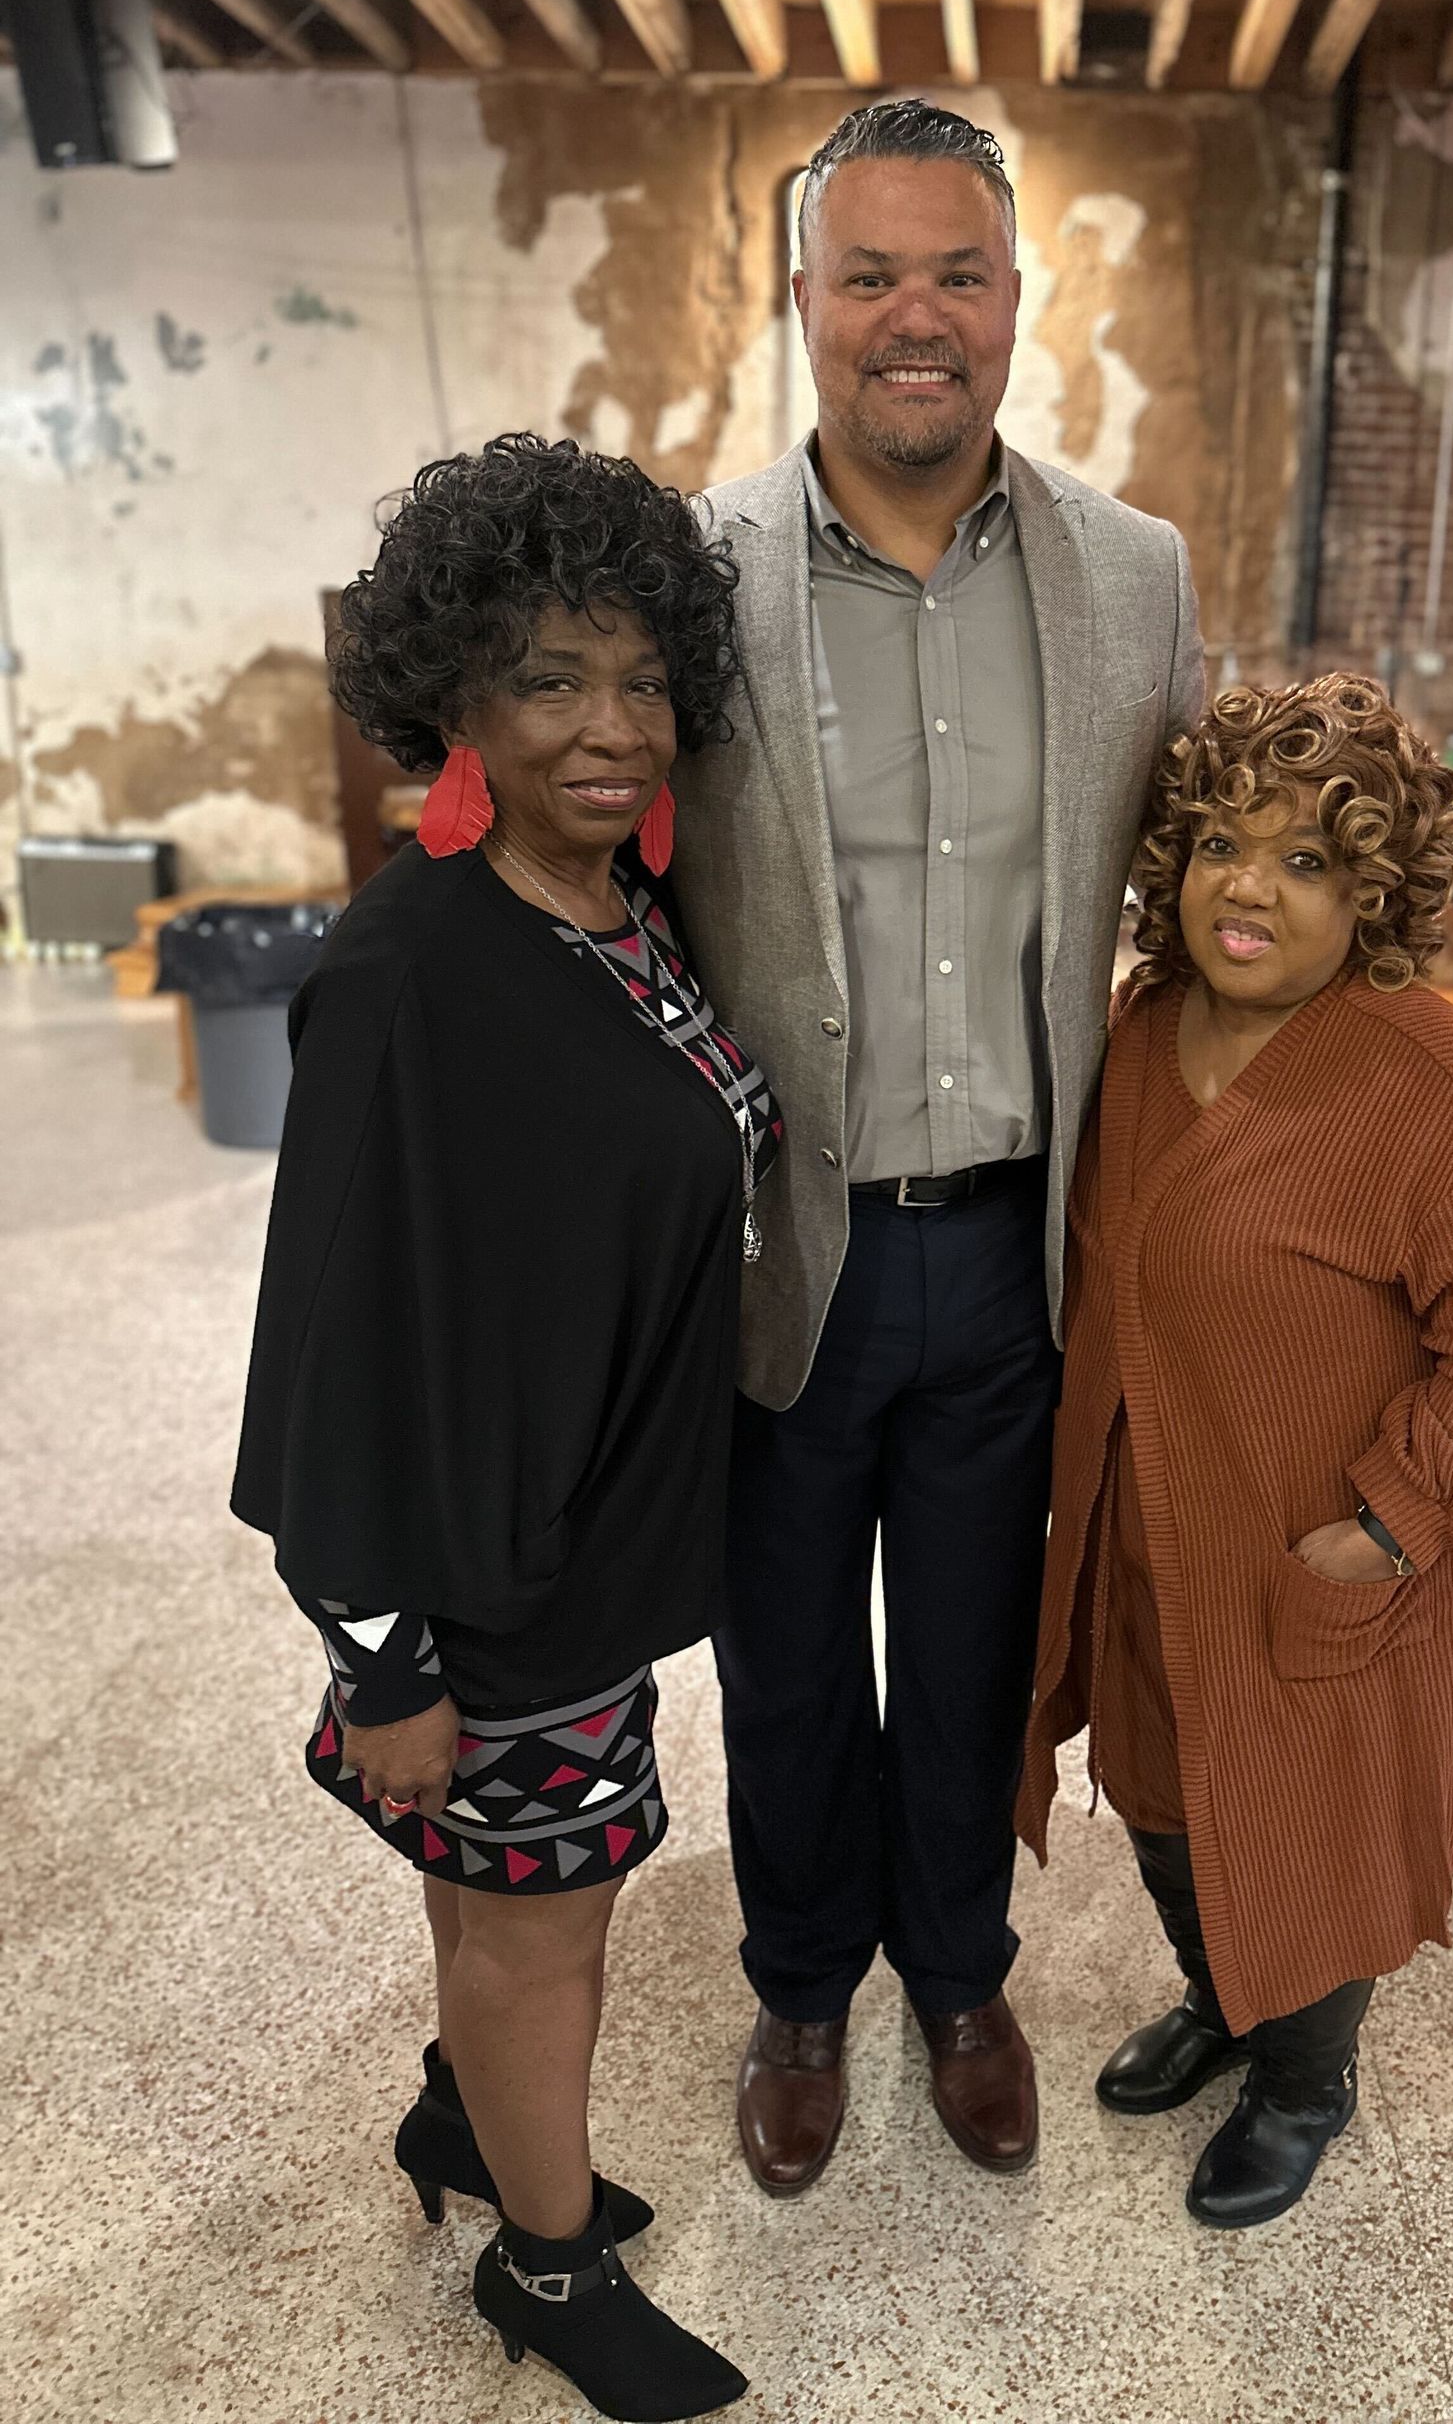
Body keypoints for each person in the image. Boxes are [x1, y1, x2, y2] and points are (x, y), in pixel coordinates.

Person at [669, 99, 1205, 2196]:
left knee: (980, 1643)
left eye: (957, 273)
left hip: (1014, 1235)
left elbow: (1205, 890)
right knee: (788, 1652)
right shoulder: (689, 569)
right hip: (776, 1229)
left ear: (1015, 300)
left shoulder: (1134, 574)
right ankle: (805, 1983)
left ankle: (961, 1976)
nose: (918, 314)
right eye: (872, 272)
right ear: (803, 299)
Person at [233, 435, 772, 2419]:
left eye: (642, 679)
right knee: (546, 1931)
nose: (612, 727)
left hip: (583, 1536)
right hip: (483, 1580)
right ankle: (546, 2270)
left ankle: (468, 2125)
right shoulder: (411, 968)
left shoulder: (620, 908)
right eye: (552, 680)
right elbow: (332, 1337)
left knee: (511, 1905)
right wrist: (379, 1655)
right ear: (456, 693)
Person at [1016, 675, 1453, 2229]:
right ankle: (1224, 1999)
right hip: (1152, 1538)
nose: (1251, 889)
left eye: (1308, 861)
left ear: (1376, 895)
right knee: (1161, 1794)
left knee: (1306, 1830)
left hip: (1328, 1551)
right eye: (1223, 843)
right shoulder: (1139, 1035)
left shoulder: (1433, 1086)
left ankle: (1304, 2077)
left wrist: (1389, 1524)